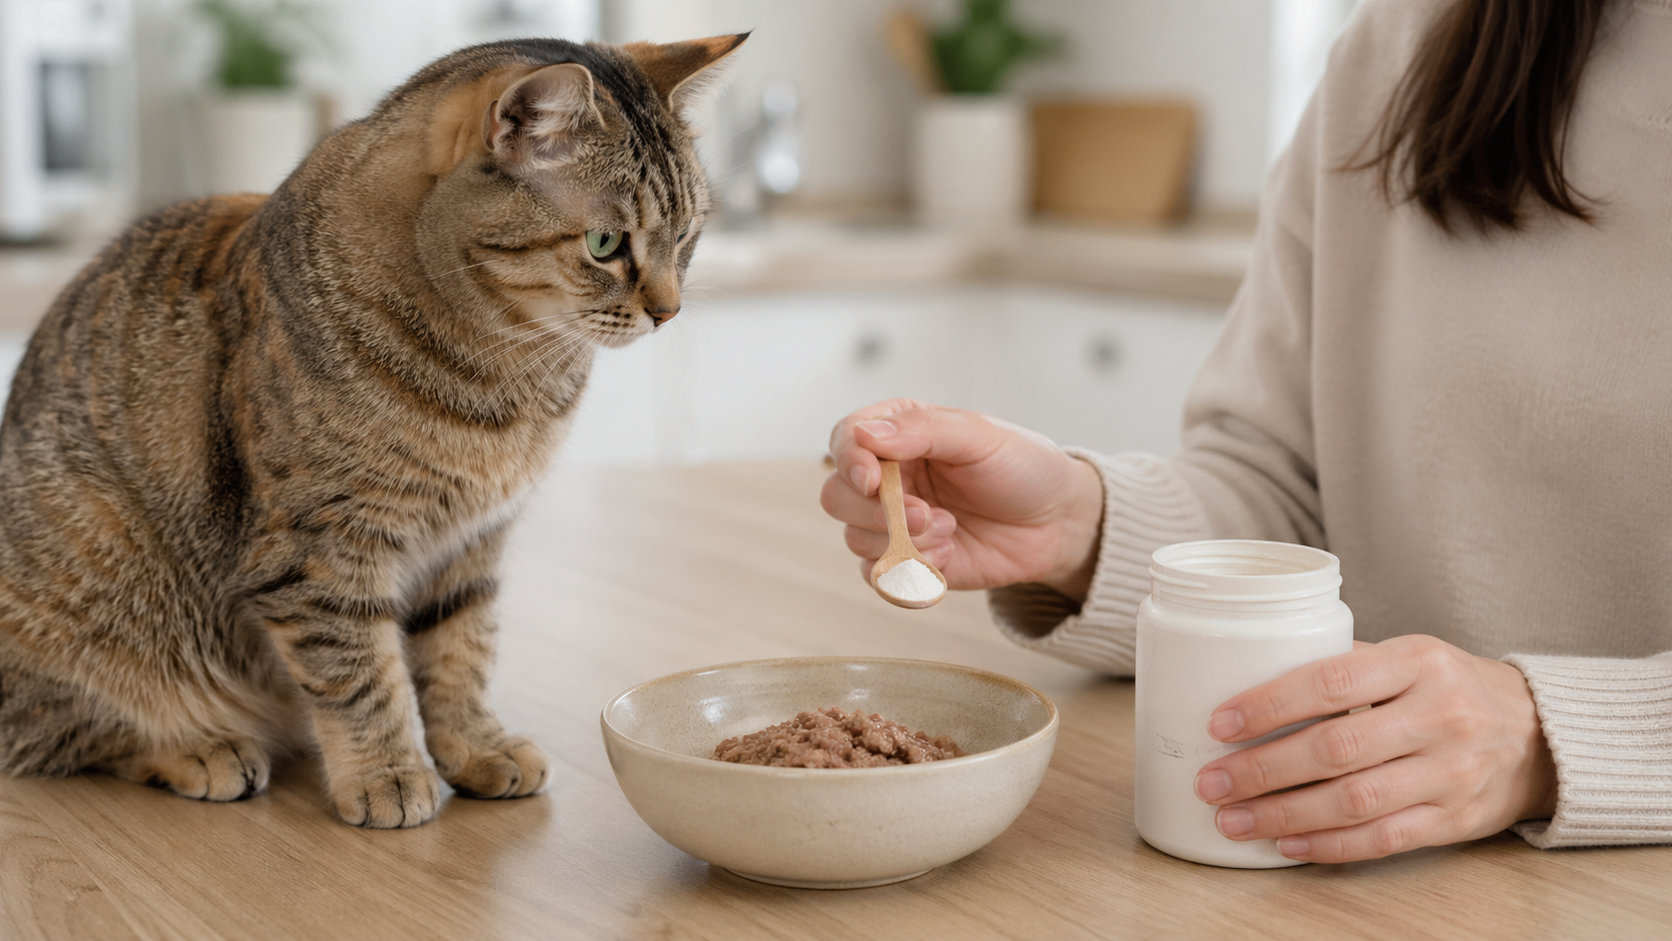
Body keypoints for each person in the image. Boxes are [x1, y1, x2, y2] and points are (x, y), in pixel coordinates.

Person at [822, 0, 1672, 863]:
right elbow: (1291, 489)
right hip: (1372, 886)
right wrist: (1086, 525)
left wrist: (1549, 739)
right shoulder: (1400, 50)